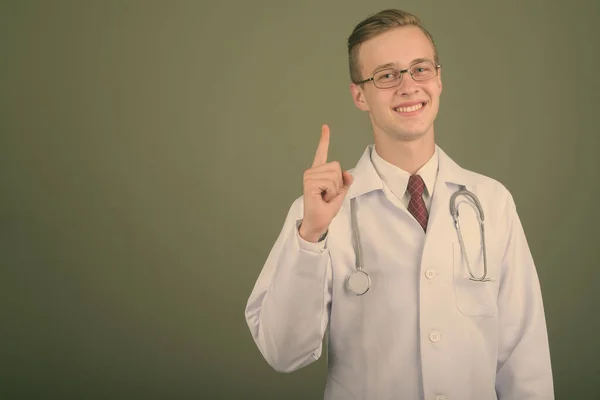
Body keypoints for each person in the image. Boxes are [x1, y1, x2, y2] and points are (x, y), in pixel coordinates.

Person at [244, 8, 554, 400]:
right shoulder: (318, 214)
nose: (408, 87)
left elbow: (524, 359)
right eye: (387, 75)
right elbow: (282, 352)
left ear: (439, 79)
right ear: (360, 94)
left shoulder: (492, 203)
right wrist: (311, 236)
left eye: (420, 69)